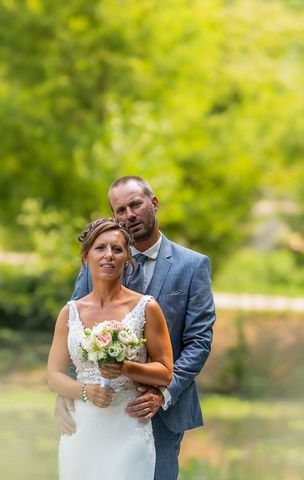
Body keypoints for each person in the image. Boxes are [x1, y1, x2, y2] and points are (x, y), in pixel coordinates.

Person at [56, 176, 216, 480]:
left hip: (159, 412)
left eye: (136, 205)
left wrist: (162, 394)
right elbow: (73, 333)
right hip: (95, 413)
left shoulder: (192, 266)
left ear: (153, 204)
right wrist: (67, 391)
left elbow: (199, 341)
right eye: (120, 210)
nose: (129, 215)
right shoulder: (97, 263)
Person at [47, 217, 174, 480]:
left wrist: (126, 367)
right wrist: (85, 391)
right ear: (86, 257)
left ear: (128, 259)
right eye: (100, 248)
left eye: (117, 250)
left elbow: (165, 372)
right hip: (80, 429)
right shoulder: (69, 313)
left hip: (128, 429)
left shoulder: (146, 307)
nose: (109, 256)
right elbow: (54, 376)